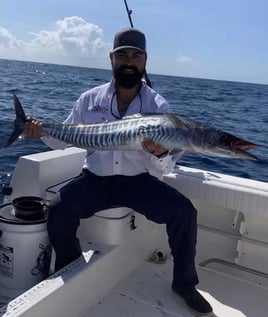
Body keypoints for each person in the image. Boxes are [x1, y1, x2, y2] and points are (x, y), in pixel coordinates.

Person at [24, 28, 213, 316]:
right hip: (96, 180)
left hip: (139, 182)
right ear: (112, 58)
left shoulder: (159, 107)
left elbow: (166, 165)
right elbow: (64, 137)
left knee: (184, 212)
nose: (129, 60)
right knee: (59, 210)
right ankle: (70, 265)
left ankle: (185, 283)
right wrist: (39, 132)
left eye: (136, 55)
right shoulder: (89, 99)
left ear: (144, 61)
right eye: (123, 54)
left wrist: (161, 154)